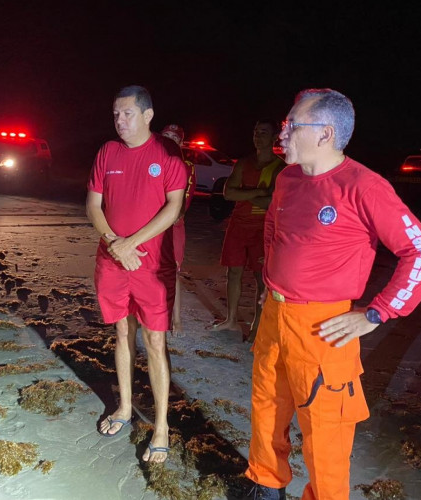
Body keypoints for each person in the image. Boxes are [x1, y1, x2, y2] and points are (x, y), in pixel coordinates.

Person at [245, 89, 421, 500]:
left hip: (323, 330)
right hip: (275, 318)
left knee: (326, 431)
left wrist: (377, 312)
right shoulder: (287, 177)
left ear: (325, 133)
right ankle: (266, 485)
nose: (283, 134)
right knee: (267, 405)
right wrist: (270, 283)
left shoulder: (364, 187)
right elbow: (274, 232)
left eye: (292, 125)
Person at [86, 86, 187, 463]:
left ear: (148, 115)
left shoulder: (167, 152)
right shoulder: (107, 152)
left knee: (156, 342)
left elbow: (173, 207)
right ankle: (125, 408)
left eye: (127, 114)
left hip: (151, 263)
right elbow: (94, 204)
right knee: (122, 332)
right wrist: (114, 242)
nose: (119, 121)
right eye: (115, 114)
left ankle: (161, 425)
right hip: (112, 259)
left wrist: (132, 244)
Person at [209, 120, 284, 341]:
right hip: (238, 225)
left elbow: (271, 202)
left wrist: (244, 192)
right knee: (233, 272)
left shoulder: (280, 168)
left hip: (263, 228)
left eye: (264, 132)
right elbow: (228, 193)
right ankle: (231, 320)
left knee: (261, 279)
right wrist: (255, 194)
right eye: (255, 131)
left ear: (274, 138)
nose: (258, 136)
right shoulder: (243, 163)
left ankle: (256, 326)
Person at [160, 124, 196, 336]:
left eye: (174, 137)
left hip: (173, 226)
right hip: (150, 226)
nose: (170, 140)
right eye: (166, 136)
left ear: (181, 143)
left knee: (174, 272)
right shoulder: (151, 161)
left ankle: (176, 320)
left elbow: (182, 205)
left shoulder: (187, 166)